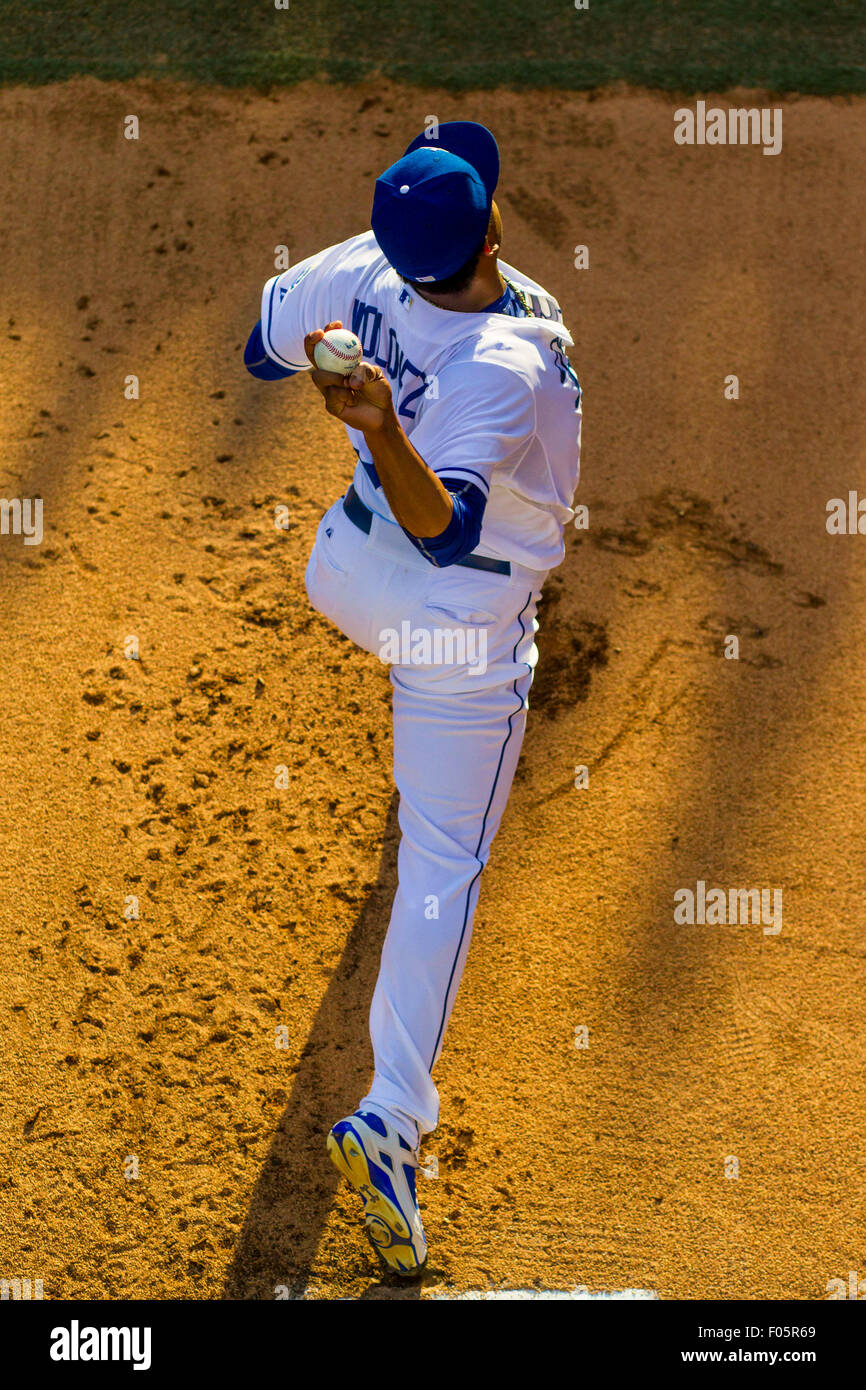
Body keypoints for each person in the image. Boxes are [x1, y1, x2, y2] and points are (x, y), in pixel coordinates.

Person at [245, 121, 582, 1276]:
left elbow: (259, 345)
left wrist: (353, 357)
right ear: (488, 227)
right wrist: (385, 420)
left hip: (343, 575)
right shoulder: (507, 358)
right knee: (444, 856)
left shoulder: (360, 265)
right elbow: (446, 532)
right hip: (454, 624)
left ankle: (422, 761)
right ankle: (391, 1120)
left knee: (426, 759)